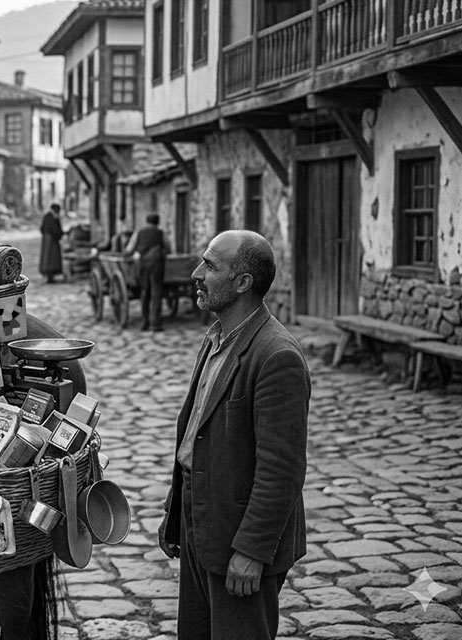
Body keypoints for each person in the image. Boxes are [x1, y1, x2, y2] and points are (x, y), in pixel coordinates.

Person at [158, 230, 310, 640]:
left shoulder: (277, 356)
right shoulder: (217, 336)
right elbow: (196, 436)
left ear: (242, 282)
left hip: (238, 535)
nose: (196, 274)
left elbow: (282, 469)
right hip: (201, 520)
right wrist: (176, 513)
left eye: (209, 266)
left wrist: (252, 550)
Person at [125, 214, 171, 331]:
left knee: (145, 291)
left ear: (147, 221)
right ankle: (155, 323)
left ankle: (145, 322)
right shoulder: (161, 233)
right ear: (157, 222)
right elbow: (168, 248)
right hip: (157, 264)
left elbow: (129, 249)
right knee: (156, 292)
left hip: (143, 264)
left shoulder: (139, 233)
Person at [39, 204, 65, 283]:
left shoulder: (48, 216)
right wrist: (60, 234)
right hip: (51, 241)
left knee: (49, 259)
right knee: (51, 259)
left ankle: (50, 276)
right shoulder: (52, 217)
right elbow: (55, 230)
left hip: (49, 241)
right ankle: (49, 276)